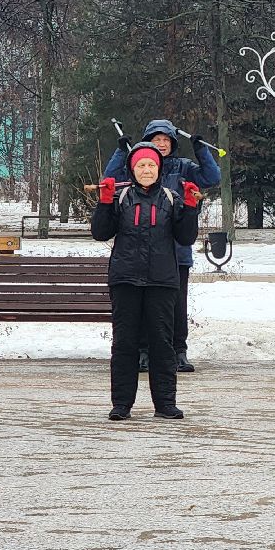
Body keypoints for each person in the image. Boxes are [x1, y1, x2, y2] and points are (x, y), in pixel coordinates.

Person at [92, 143, 202, 421]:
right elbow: (100, 233)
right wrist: (104, 204)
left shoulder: (171, 197)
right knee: (124, 342)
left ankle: (165, 404)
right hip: (125, 279)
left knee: (162, 342)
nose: (146, 170)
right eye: (141, 165)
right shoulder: (120, 197)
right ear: (132, 169)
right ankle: (121, 405)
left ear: (159, 169)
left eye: (151, 165)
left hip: (162, 281)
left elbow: (186, 238)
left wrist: (190, 209)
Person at [104, 118, 220, 373]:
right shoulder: (136, 167)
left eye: (166, 140)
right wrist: (121, 152)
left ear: (173, 143)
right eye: (156, 140)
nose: (161, 144)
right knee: (145, 306)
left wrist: (202, 150)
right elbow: (109, 180)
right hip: (139, 252)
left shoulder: (183, 167)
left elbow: (211, 177)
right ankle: (144, 352)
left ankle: (178, 351)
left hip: (176, 251)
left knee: (177, 305)